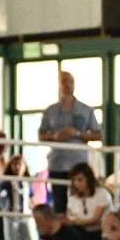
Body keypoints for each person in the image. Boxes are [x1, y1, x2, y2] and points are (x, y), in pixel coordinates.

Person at [37, 71, 102, 213]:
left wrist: (77, 133)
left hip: (78, 163)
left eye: (70, 81)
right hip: (57, 163)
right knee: (59, 202)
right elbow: (41, 135)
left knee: (79, 200)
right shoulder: (50, 111)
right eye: (64, 81)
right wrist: (55, 136)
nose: (68, 85)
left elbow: (98, 135)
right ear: (59, 85)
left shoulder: (86, 110)